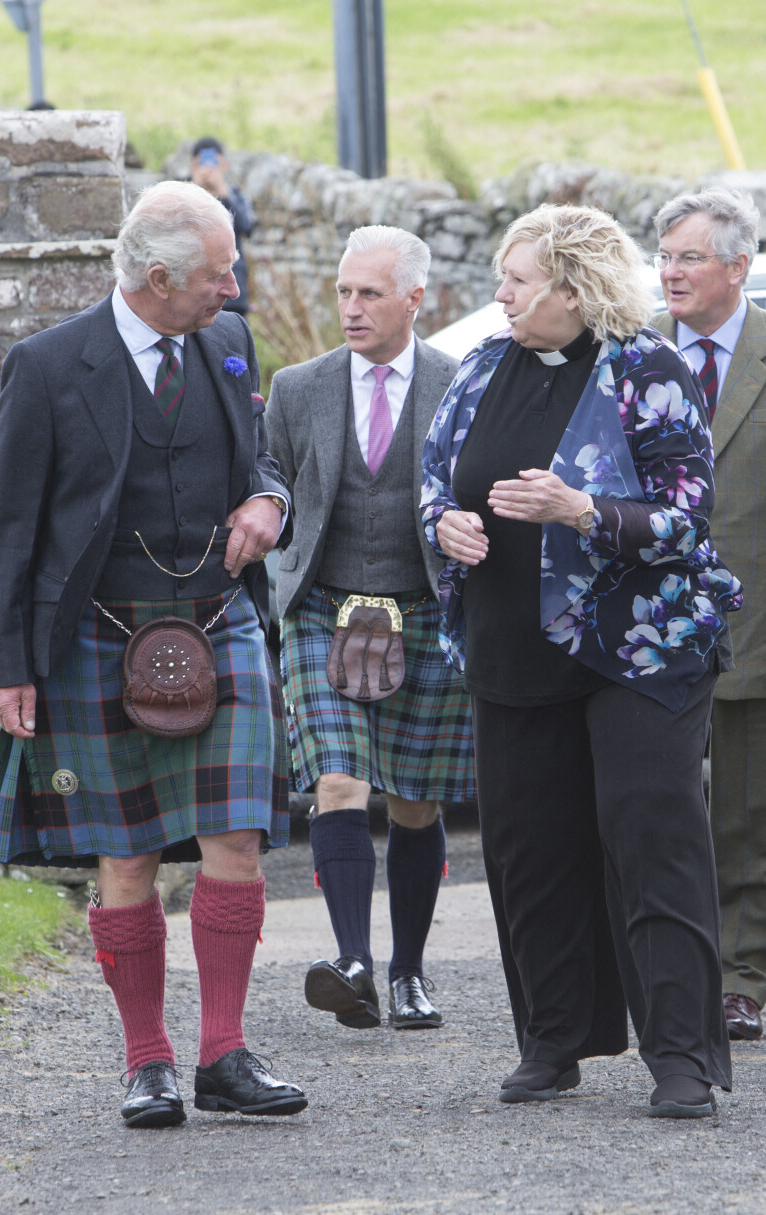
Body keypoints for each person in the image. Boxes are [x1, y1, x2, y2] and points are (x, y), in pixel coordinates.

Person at [0, 181, 307, 1128]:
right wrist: (9, 666)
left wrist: (268, 503)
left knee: (238, 838)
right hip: (99, 632)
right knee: (129, 852)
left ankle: (226, 1051)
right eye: (218, 273)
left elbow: (262, 457)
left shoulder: (228, 346)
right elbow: (12, 528)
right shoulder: (49, 364)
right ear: (158, 277)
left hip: (219, 617)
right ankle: (146, 1061)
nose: (233, 288)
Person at [421, 203, 742, 1118]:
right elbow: (434, 488)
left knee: (652, 839)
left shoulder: (649, 367)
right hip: (512, 646)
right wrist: (443, 525)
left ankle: (682, 1058)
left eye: (517, 279)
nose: (501, 292)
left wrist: (581, 510)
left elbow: (687, 518)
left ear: (573, 286)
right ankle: (554, 1041)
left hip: (640, 651)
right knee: (530, 851)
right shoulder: (482, 367)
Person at [265, 225, 475, 1031]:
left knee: (416, 802)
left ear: (415, 299)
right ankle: (352, 961)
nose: (350, 309)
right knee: (339, 783)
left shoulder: (462, 386)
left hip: (425, 611)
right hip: (324, 608)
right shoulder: (299, 387)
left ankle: (410, 972)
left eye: (370, 294)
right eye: (344, 292)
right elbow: (274, 484)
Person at [653, 188, 766, 1043]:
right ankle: (665, 977)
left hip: (751, 623)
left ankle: (739, 978)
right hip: (640, 630)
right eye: (664, 256)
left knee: (740, 815)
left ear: (739, 266)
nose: (671, 271)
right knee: (653, 813)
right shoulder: (630, 356)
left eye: (690, 256)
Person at [190, 136, 255, 317]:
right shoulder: (184, 196)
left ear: (224, 165)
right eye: (202, 163)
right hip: (195, 292)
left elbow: (246, 226)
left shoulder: (235, 195)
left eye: (214, 163)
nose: (209, 168)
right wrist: (195, 190)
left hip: (233, 292)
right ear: (192, 167)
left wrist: (223, 194)